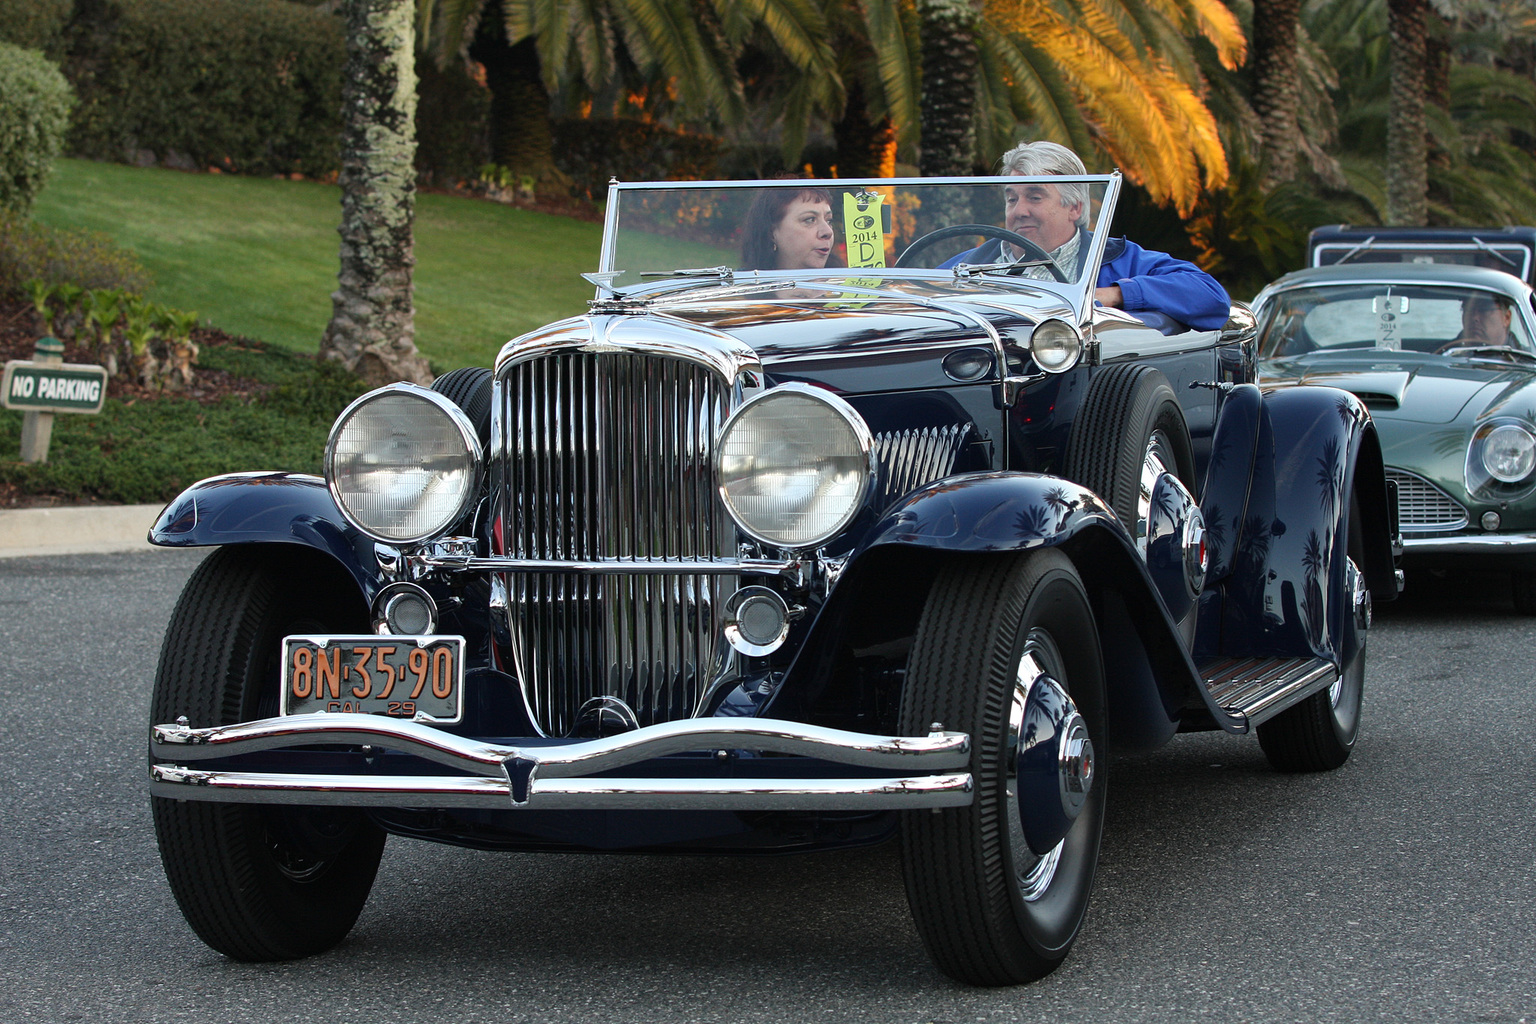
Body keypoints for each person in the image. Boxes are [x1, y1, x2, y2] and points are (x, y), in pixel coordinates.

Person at [941, 141, 1231, 332]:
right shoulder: (963, 267)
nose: (1020, 211)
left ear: (1075, 208)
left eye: (1035, 197)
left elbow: (1212, 297)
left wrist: (1116, 294)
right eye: (1012, 198)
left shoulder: (1117, 259)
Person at [741, 186, 837, 271]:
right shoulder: (740, 288)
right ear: (771, 233)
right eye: (810, 219)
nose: (828, 232)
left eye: (829, 220)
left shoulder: (846, 287)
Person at [1438, 293, 1515, 350]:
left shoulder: (1524, 362)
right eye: (1468, 310)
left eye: (1484, 310)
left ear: (1506, 318)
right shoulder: (1442, 355)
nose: (1475, 317)